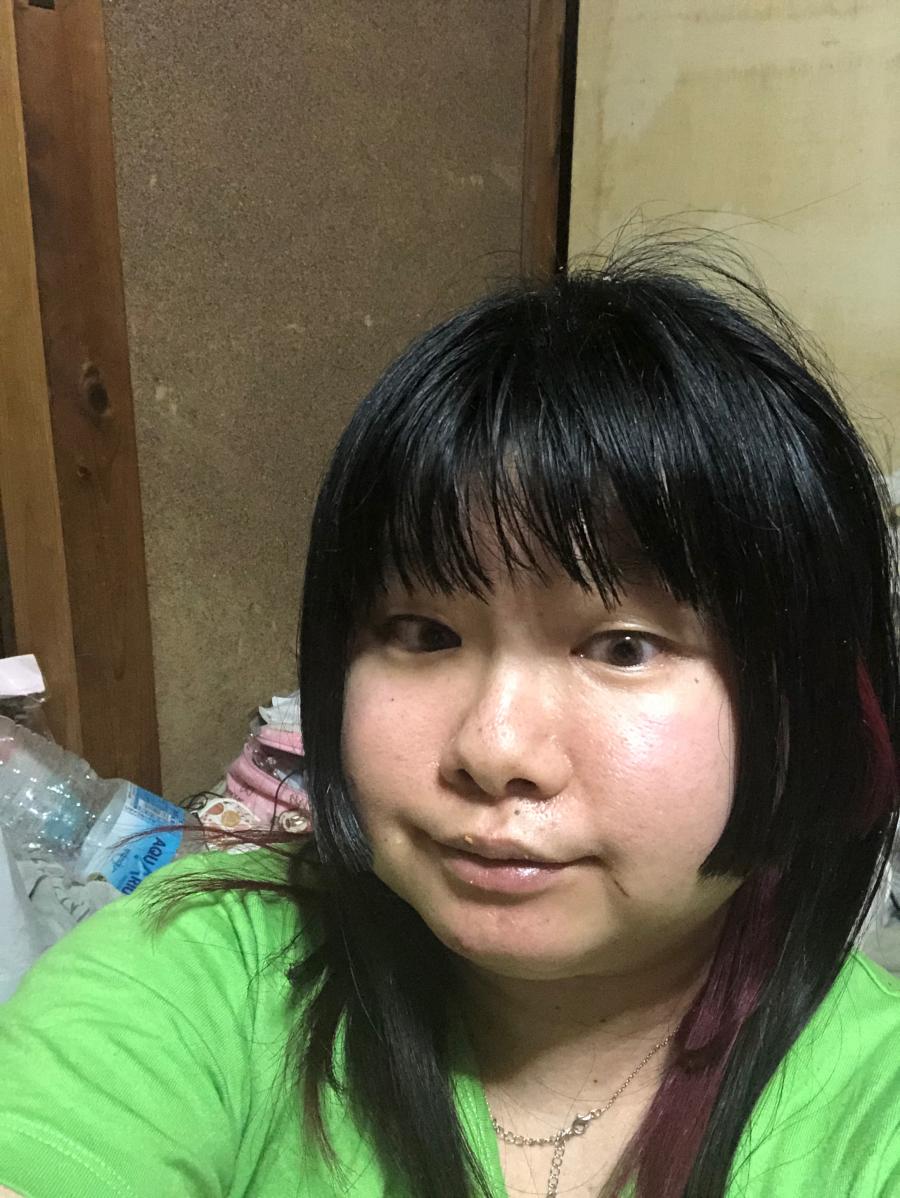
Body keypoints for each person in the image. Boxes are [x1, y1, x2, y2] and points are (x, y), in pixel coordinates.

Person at [1, 245, 899, 1198]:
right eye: (423, 633)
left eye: (624, 647)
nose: (493, 749)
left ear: (806, 707)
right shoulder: (197, 974)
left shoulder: (871, 1104)